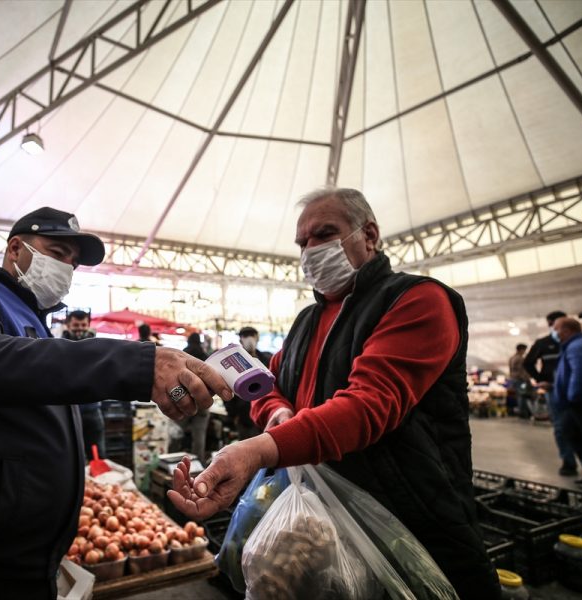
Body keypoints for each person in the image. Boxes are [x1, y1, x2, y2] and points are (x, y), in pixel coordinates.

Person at [167, 187, 500, 599]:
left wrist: (260, 449)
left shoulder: (417, 301)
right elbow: (265, 388)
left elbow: (367, 406)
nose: (310, 250)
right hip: (318, 521)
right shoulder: (306, 321)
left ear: (370, 235)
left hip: (406, 517)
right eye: (302, 242)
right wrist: (275, 414)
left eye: (324, 234)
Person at [0, 207, 232, 598]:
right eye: (56, 252)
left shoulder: (35, 319)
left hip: (27, 558)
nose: (66, 268)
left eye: (72, 262)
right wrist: (140, 363)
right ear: (15, 248)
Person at [524, 311, 576, 476]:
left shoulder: (572, 342)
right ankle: (568, 462)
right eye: (550, 323)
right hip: (553, 389)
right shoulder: (543, 343)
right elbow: (528, 363)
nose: (553, 326)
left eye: (555, 323)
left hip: (575, 388)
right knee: (561, 426)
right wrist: (541, 379)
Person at [553, 317, 582, 487]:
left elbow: (581, 375)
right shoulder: (578, 345)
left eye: (556, 329)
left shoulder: (578, 346)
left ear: (567, 330)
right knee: (574, 433)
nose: (554, 333)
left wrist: (573, 397)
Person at [62, 310, 105, 459]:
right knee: (71, 454)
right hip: (69, 412)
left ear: (88, 325)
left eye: (83, 325)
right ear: (67, 325)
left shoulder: (98, 346)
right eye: (75, 325)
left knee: (97, 454)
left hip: (93, 411)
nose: (80, 328)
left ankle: (101, 483)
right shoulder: (58, 347)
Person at [225, 327, 272, 440]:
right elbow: (227, 386)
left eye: (252, 335)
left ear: (257, 338)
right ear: (240, 340)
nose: (249, 339)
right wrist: (233, 414)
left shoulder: (267, 359)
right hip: (244, 417)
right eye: (245, 336)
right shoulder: (234, 361)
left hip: (265, 414)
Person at [174, 333, 211, 461]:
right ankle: (198, 466)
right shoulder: (206, 357)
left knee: (176, 432)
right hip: (202, 403)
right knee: (199, 437)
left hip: (182, 401)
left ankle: (172, 461)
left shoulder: (182, 355)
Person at [508, 343, 531, 418]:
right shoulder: (520, 358)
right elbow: (522, 370)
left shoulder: (512, 358)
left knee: (519, 395)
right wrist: (527, 379)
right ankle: (523, 413)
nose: (525, 352)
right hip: (521, 380)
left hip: (514, 379)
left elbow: (511, 370)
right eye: (524, 350)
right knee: (522, 395)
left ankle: (521, 411)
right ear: (521, 350)